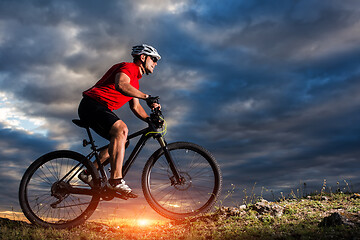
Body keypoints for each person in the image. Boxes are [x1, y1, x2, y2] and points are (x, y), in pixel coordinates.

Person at [77, 44, 161, 195]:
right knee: (121, 129)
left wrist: (150, 120)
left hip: (100, 108)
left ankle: (88, 173)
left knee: (123, 141)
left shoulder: (135, 82)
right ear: (143, 57)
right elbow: (121, 84)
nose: (155, 63)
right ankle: (115, 181)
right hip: (92, 104)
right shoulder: (129, 67)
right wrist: (147, 97)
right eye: (154, 59)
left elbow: (135, 107)